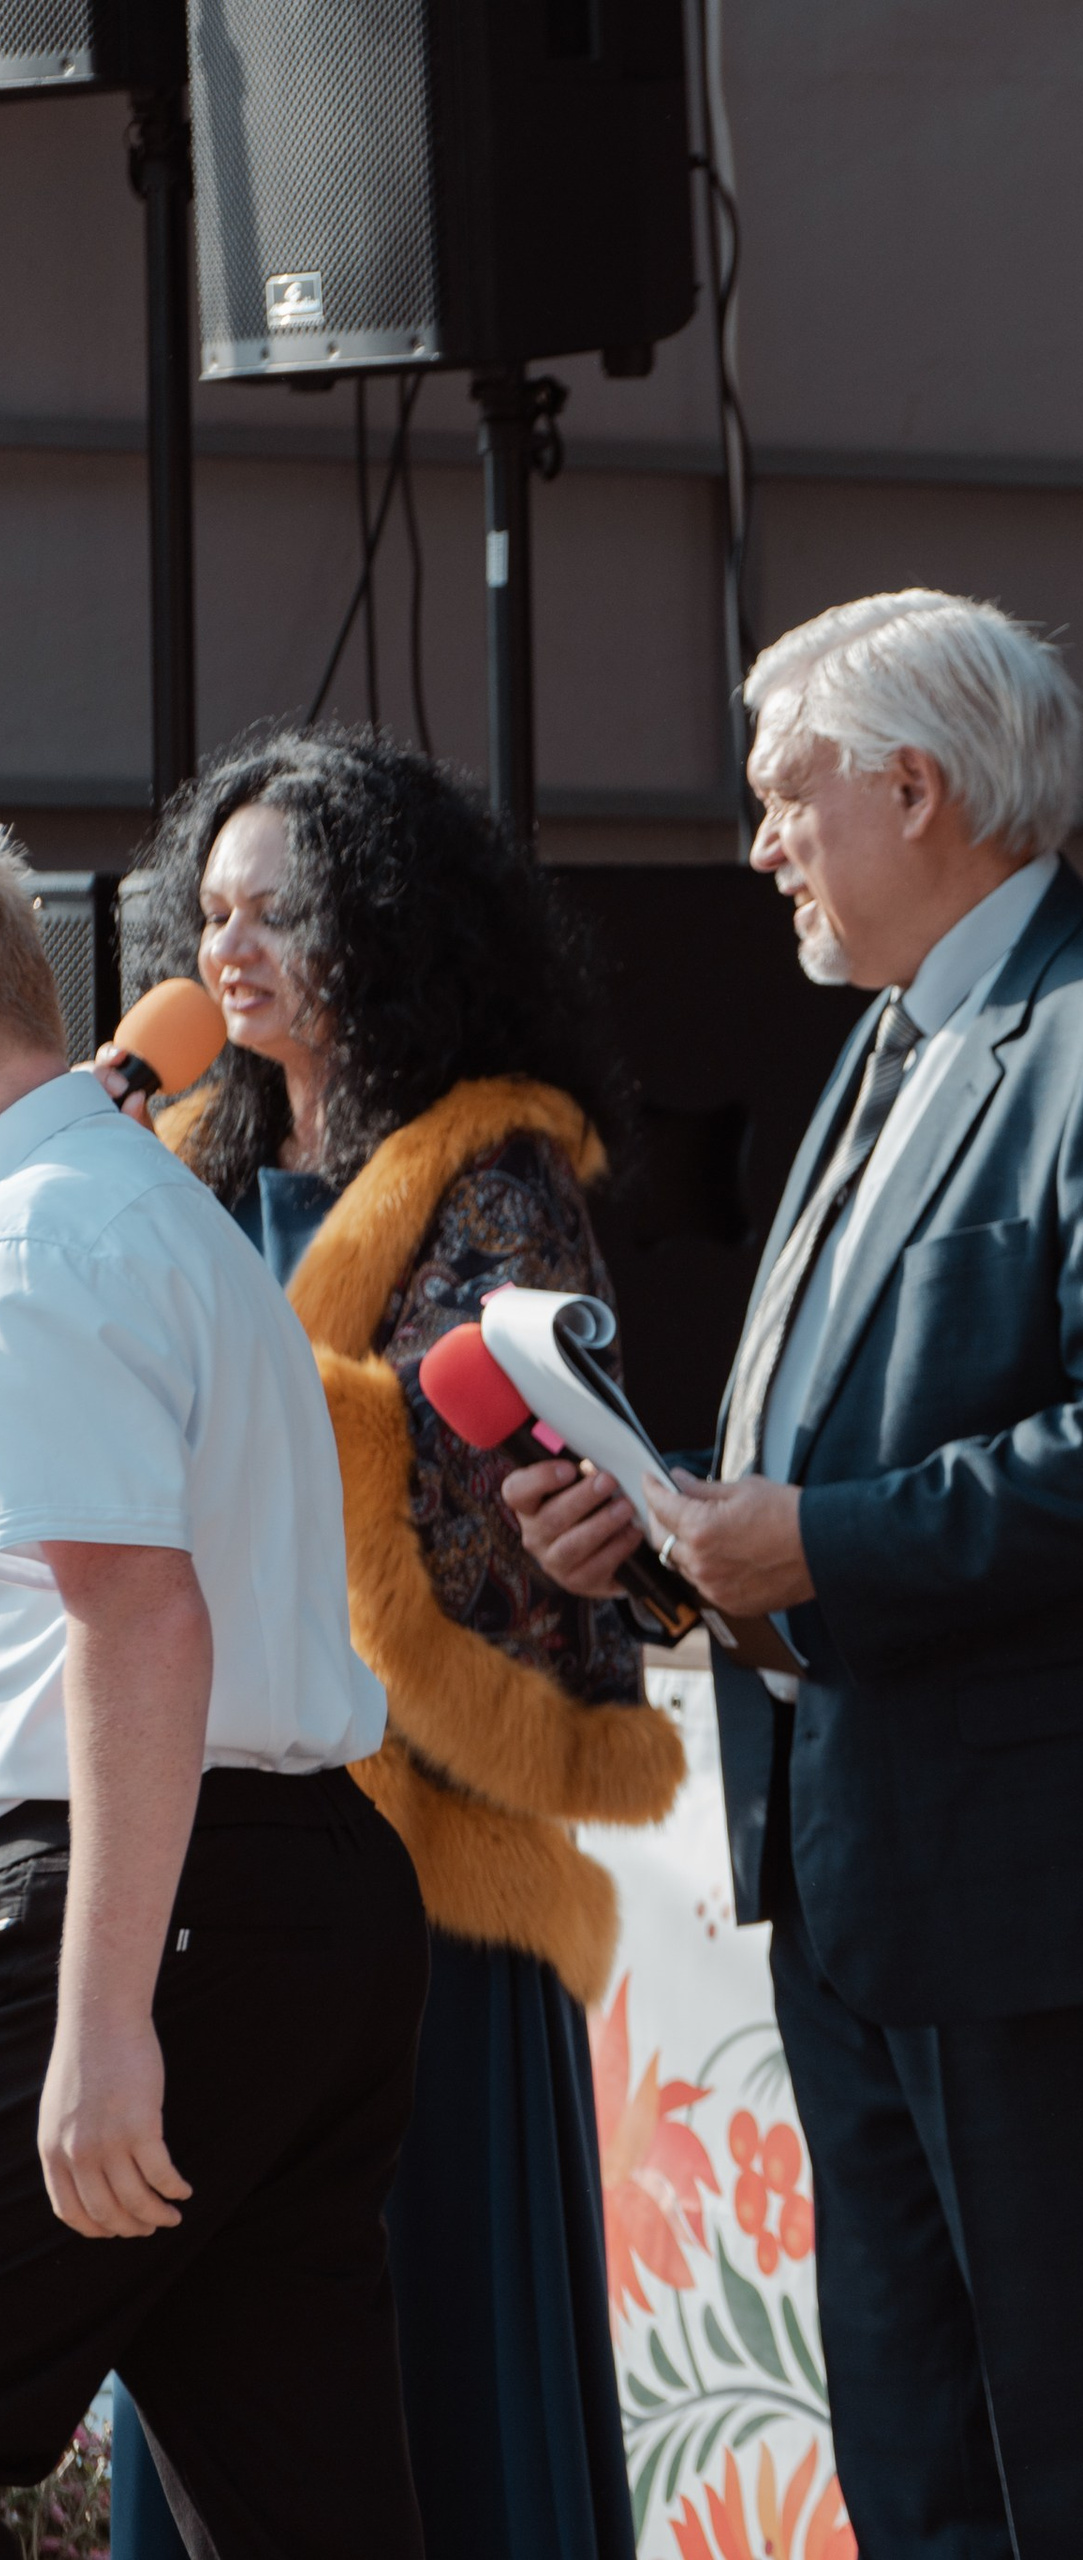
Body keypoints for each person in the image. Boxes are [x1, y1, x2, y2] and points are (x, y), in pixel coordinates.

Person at [505, 590, 1083, 2560]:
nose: (757, 849)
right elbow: (844, 1441)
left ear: (909, 787)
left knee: (1075, 2448)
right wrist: (673, 1554)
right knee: (912, 2438)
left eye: (780, 797)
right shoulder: (906, 1034)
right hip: (865, 1859)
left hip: (1046, 1880)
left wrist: (808, 1539)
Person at [101, 733, 683, 2560]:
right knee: (218, 2365)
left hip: (424, 1871)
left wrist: (278, 1413)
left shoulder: (498, 1174)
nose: (233, 949)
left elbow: (521, 1514)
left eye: (281, 910)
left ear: (384, 930)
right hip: (203, 1844)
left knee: (428, 2363)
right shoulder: (168, 1157)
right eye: (209, 913)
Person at [0, 833, 430, 2557]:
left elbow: (140, 1624)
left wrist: (108, 2023)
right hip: (290, 1900)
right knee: (303, 2507)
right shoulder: (139, 1206)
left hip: (151, 1913)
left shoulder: (41, 1237)